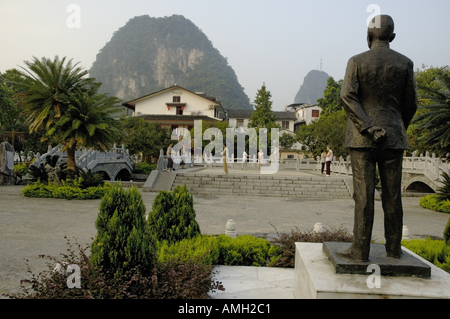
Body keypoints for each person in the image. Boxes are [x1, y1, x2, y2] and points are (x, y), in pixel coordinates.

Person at [338, 15, 418, 262]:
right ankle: (394, 250)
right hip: (393, 138)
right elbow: (411, 103)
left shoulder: (357, 61)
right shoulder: (405, 63)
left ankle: (360, 251)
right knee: (393, 196)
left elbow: (348, 97)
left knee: (363, 196)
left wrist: (368, 127)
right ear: (392, 37)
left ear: (368, 35)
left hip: (362, 140)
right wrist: (395, 127)